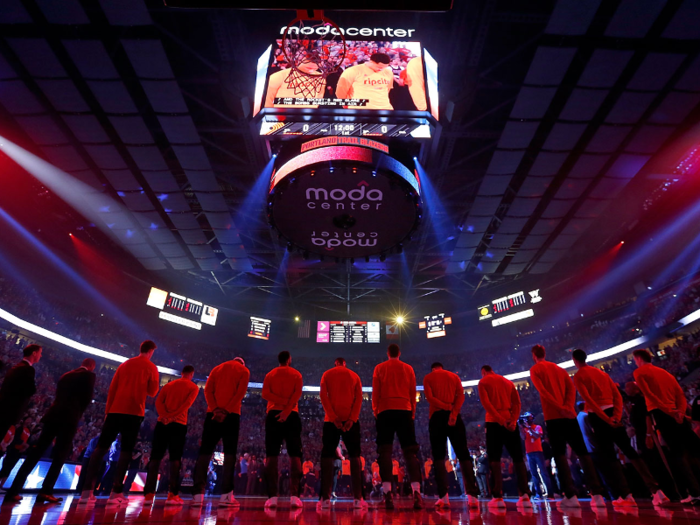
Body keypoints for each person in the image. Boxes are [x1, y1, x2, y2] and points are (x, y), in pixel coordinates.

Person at [572, 348, 669, 506]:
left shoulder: (578, 376)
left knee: (610, 457)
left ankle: (625, 495)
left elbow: (588, 400)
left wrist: (605, 419)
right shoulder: (601, 373)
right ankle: (656, 490)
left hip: (598, 416)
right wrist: (616, 415)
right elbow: (617, 395)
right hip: (612, 412)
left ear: (575, 361)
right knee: (630, 452)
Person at [3, 358, 96, 504]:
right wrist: (77, 413)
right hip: (69, 417)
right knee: (60, 455)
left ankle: (14, 489)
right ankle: (45, 491)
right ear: (91, 366)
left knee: (36, 452)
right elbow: (87, 398)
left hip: (53, 414)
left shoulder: (67, 374)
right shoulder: (89, 375)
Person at [79, 340, 159, 504]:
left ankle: (86, 491)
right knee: (126, 452)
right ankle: (116, 492)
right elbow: (152, 392)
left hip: (115, 410)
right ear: (151, 351)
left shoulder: (124, 365)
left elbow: (112, 389)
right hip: (133, 412)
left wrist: (108, 411)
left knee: (100, 449)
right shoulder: (151, 367)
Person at [529, 345, 605, 508]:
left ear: (534, 356)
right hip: (569, 415)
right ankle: (597, 494)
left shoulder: (535, 369)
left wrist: (559, 407)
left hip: (553, 416)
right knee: (582, 454)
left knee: (560, 455)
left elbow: (543, 391)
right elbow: (571, 389)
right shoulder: (560, 369)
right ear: (545, 353)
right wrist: (568, 406)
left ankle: (571, 496)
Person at [632, 348, 700, 505]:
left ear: (639, 358)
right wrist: (680, 413)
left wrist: (670, 412)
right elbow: (680, 395)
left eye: (635, 360)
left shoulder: (640, 372)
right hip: (677, 414)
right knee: (693, 451)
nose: (635, 363)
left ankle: (695, 493)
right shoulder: (665, 373)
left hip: (663, 414)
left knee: (677, 455)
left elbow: (650, 395)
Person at [192, 357, 249, 507]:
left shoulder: (216, 368)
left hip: (213, 414)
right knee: (230, 455)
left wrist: (216, 409)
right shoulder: (243, 370)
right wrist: (226, 411)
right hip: (232, 415)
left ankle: (197, 495)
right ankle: (226, 496)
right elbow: (240, 393)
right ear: (241, 363)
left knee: (204, 453)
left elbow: (208, 391)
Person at [372, 344, 423, 510]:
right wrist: (412, 412)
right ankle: (417, 493)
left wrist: (376, 410)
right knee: (409, 452)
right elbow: (412, 392)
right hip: (405, 410)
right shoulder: (408, 368)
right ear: (399, 353)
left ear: (387, 354)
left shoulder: (379, 368)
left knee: (385, 453)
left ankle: (387, 494)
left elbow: (375, 392)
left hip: (385, 411)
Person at [424, 362, 480, 509]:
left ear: (433, 368)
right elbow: (460, 397)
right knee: (463, 454)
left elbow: (430, 398)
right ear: (442, 367)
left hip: (436, 417)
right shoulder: (454, 376)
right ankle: (473, 497)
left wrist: (445, 407)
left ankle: (444, 497)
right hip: (454, 417)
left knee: (438, 457)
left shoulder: (429, 377)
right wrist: (453, 412)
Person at [478, 365, 532, 509]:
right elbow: (517, 403)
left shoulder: (483, 382)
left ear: (483, 372)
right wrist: (513, 420)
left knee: (494, 459)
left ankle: (498, 496)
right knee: (518, 458)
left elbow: (487, 405)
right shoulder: (508, 382)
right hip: (509, 420)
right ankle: (525, 494)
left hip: (494, 422)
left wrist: (500, 421)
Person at [144, 365, 199, 506]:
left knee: (155, 457)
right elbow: (186, 405)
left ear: (182, 373)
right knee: (175, 459)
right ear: (191, 374)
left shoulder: (169, 385)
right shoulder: (193, 387)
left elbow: (158, 402)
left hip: (162, 423)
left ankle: (149, 493)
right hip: (178, 424)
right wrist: (173, 416)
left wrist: (165, 415)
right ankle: (172, 494)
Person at [317, 357, 366, 510]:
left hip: (331, 421)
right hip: (350, 419)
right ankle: (358, 499)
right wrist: (352, 418)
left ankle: (324, 499)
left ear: (335, 363)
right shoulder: (354, 376)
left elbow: (323, 396)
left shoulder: (327, 374)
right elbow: (359, 399)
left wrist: (333, 417)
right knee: (355, 456)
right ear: (345, 363)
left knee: (326, 456)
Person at [261, 351, 303, 509]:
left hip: (273, 414)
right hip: (292, 413)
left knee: (271, 455)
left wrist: (281, 404)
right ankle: (295, 497)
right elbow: (297, 394)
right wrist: (287, 407)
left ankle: (272, 497)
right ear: (289, 360)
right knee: (295, 455)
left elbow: (265, 394)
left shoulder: (270, 374)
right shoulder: (296, 374)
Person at [0, 345, 42, 442]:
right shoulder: (28, 369)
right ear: (34, 353)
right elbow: (31, 390)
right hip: (10, 411)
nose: (41, 356)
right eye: (40, 353)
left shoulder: (16, 367)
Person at [518, 412, 556, 501]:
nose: (526, 420)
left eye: (527, 418)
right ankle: (538, 494)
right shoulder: (525, 429)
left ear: (532, 418)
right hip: (529, 453)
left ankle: (550, 493)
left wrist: (529, 428)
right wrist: (521, 428)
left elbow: (536, 435)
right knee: (534, 474)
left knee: (544, 473)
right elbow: (523, 438)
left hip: (538, 452)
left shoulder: (537, 427)